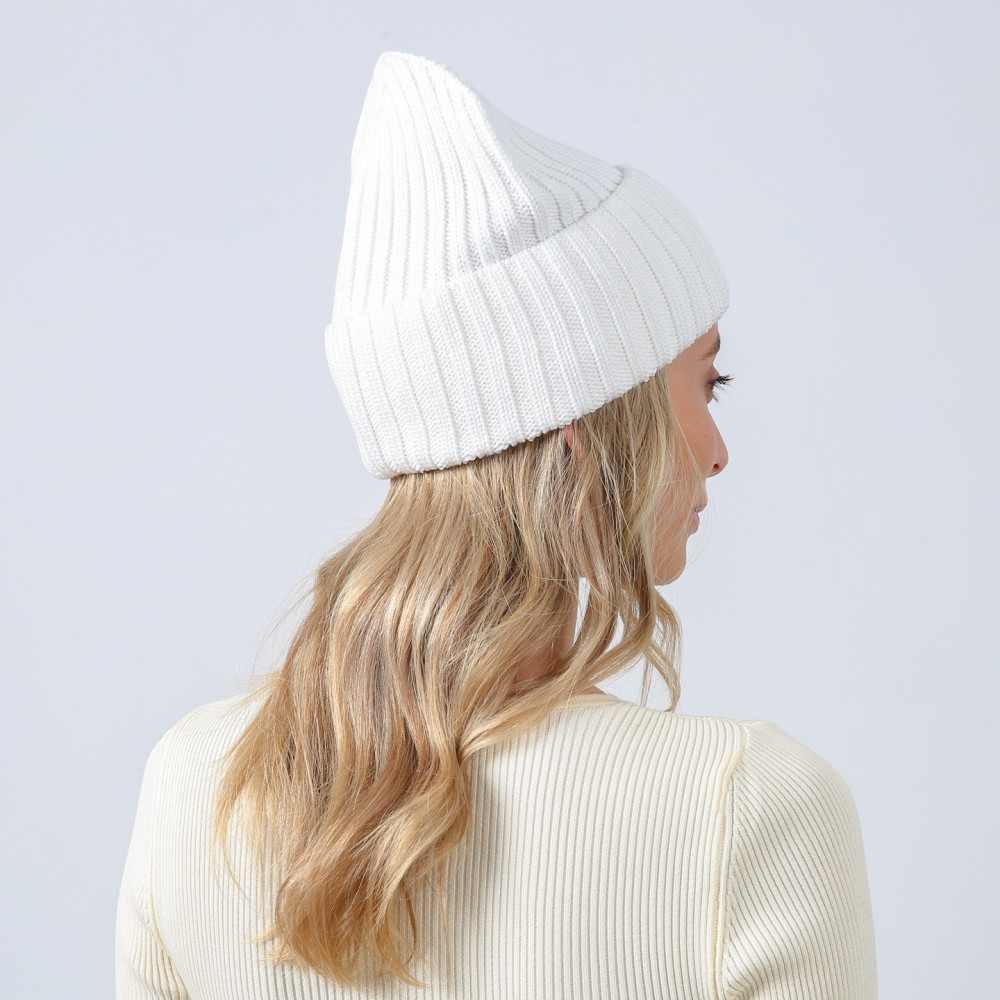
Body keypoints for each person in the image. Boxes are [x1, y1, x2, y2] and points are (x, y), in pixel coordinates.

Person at [116, 51, 878, 999]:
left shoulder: (197, 786)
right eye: (706, 384)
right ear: (586, 426)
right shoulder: (752, 807)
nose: (718, 452)